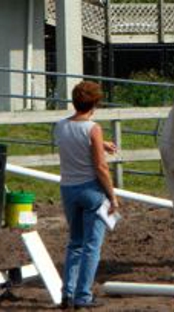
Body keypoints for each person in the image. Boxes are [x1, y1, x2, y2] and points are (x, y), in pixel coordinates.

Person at [54, 81, 119, 309]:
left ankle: (67, 293)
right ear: (95, 103)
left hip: (68, 189)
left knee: (75, 243)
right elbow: (100, 168)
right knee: (92, 246)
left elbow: (75, 144)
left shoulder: (60, 126)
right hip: (91, 190)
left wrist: (101, 144)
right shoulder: (93, 128)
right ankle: (83, 296)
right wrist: (112, 196)